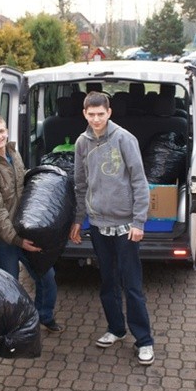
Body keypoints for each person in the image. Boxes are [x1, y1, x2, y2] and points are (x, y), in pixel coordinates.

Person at [69, 91, 155, 365]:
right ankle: (116, 329)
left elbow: (140, 183)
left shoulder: (123, 139)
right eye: (91, 114)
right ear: (85, 114)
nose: (96, 119)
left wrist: (139, 222)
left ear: (109, 112)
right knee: (108, 283)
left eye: (101, 114)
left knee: (132, 286)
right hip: (97, 226)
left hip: (126, 227)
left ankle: (144, 340)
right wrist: (77, 220)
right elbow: (80, 184)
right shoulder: (82, 143)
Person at [0, 113, 63, 333]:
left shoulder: (13, 153)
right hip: (2, 238)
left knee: (47, 277)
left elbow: (21, 182)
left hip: (22, 229)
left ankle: (43, 317)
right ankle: (13, 327)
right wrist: (18, 241)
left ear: (6, 130)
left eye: (1, 131)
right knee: (10, 286)